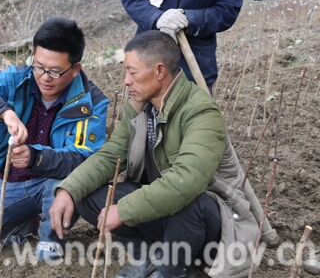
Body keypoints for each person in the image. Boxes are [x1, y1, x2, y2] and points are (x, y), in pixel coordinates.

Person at [50, 31, 259, 278]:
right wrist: (68, 189)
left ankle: (172, 271)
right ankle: (149, 257)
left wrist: (125, 210)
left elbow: (186, 181)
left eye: (132, 72)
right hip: (167, 214)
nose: (126, 81)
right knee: (90, 194)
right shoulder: (141, 109)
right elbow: (109, 156)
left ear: (159, 72)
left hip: (214, 226)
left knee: (188, 203)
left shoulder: (201, 112)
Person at [0, 17, 109, 261]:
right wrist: (5, 113)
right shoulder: (18, 79)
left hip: (58, 187)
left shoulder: (91, 103)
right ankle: (25, 224)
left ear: (76, 69)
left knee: (47, 254)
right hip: (14, 183)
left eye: (55, 71)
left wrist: (35, 157)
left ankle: (51, 237)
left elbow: (84, 160)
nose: (45, 77)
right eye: (39, 66)